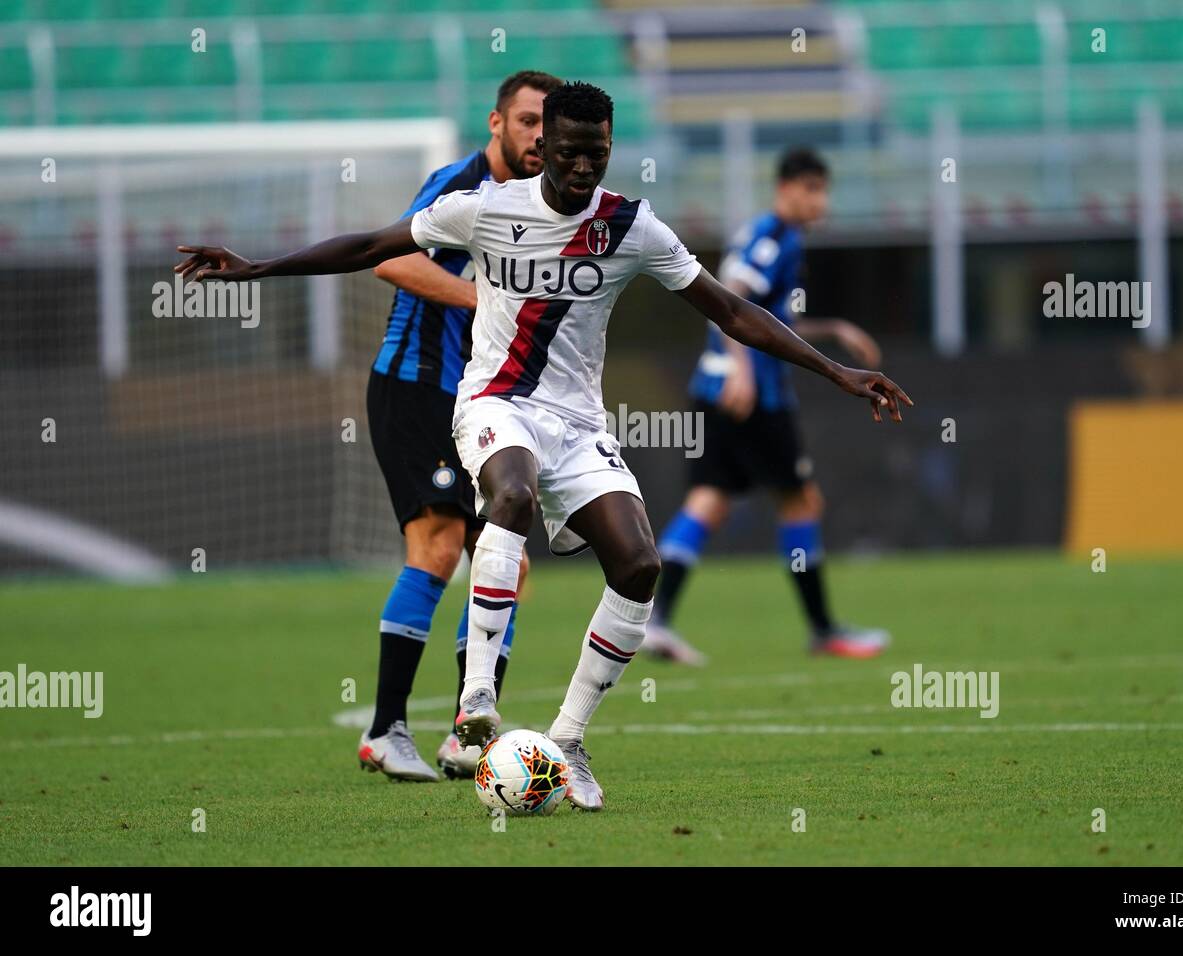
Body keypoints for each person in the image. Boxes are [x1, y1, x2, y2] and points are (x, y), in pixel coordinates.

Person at [174, 81, 912, 812]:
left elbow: (732, 310)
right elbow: (375, 244)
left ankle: (570, 739)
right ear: (543, 148)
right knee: (512, 496)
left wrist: (838, 371)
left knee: (639, 563)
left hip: (579, 424)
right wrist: (259, 267)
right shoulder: (488, 208)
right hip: (494, 404)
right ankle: (477, 698)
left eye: (598, 153)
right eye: (569, 152)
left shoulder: (632, 226)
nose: (584, 167)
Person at [362, 70, 562, 781]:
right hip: (415, 389)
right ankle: (386, 729)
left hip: (478, 404)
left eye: (550, 125)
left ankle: (465, 735)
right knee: (441, 545)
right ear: (497, 122)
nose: (541, 136)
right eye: (529, 121)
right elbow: (388, 255)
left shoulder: (545, 205)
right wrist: (477, 296)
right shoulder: (460, 183)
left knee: (510, 556)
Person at [645, 147, 891, 666]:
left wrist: (836, 330)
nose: (821, 201)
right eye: (814, 190)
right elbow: (730, 299)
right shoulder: (774, 237)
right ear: (787, 189)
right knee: (801, 502)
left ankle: (655, 620)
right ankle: (824, 629)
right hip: (753, 394)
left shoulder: (772, 236)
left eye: (824, 190)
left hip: (712, 389)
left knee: (709, 502)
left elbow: (769, 321)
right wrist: (740, 366)